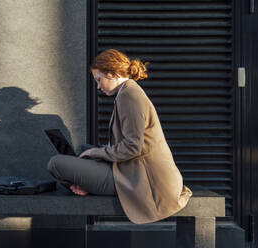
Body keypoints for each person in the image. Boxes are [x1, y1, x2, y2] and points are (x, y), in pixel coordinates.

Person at [47, 49, 192, 224]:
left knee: (55, 163)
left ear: (113, 74)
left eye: (99, 80)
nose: (99, 86)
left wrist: (97, 153)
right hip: (130, 170)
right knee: (82, 150)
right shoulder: (127, 92)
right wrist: (94, 152)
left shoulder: (129, 96)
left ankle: (84, 185)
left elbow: (132, 147)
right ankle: (84, 185)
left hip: (141, 180)